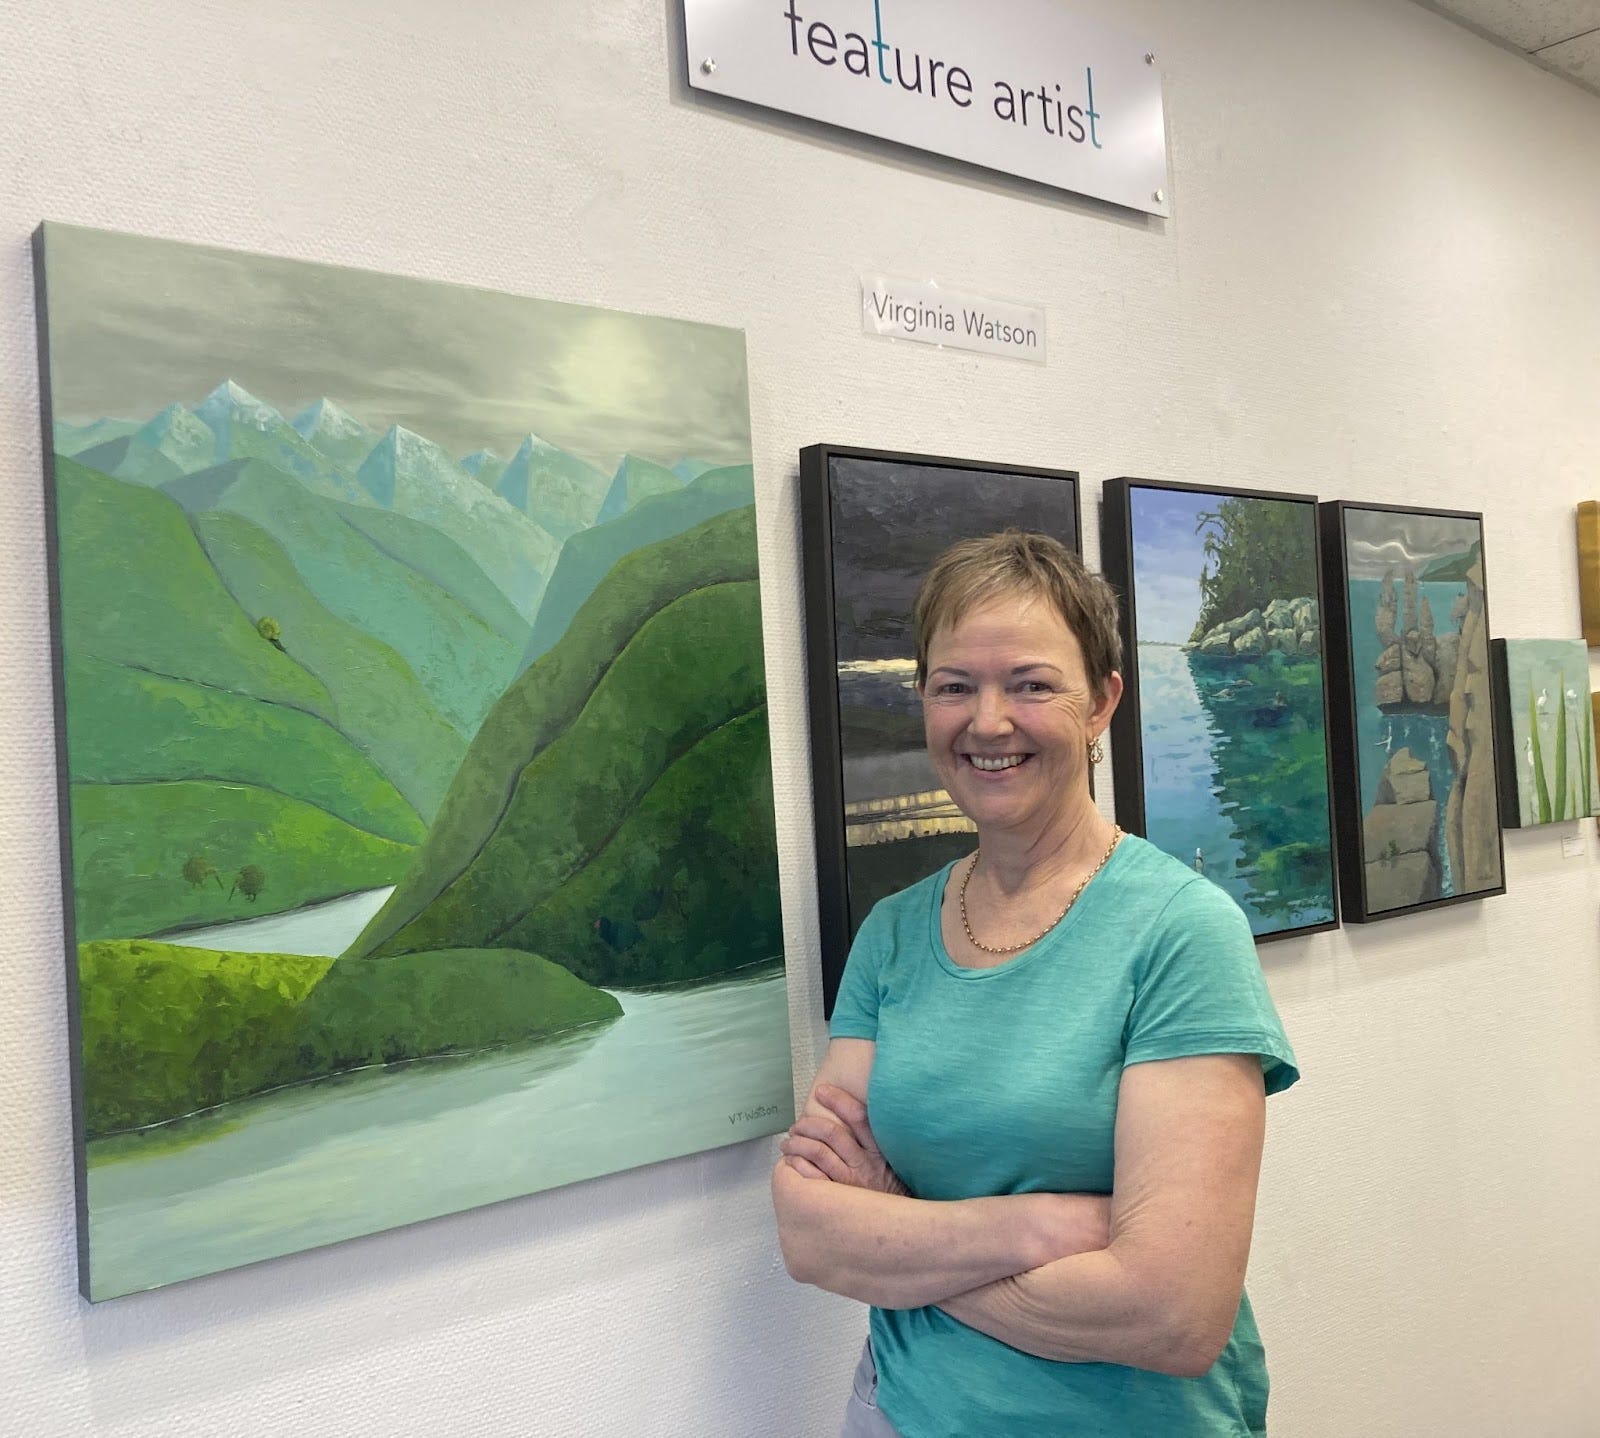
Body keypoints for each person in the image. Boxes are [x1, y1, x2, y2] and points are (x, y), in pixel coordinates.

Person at [772, 531, 1298, 1437]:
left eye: (1030, 684)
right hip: (899, 1414)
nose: (987, 722)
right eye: (954, 686)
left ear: (1102, 704)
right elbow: (810, 1232)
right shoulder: (893, 935)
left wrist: (899, 1231)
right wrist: (1038, 1228)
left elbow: (1173, 1314)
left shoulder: (1180, 932)